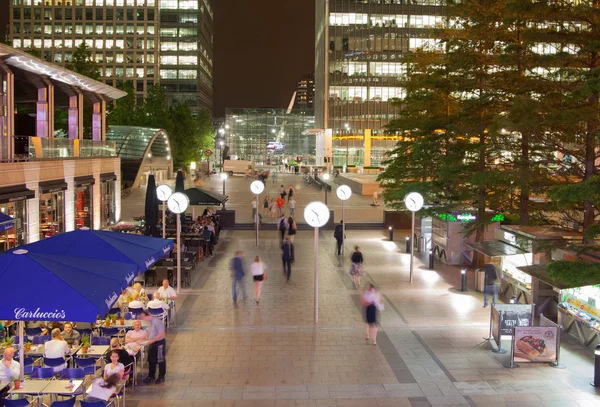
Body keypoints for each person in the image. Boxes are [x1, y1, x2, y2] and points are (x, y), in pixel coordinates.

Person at [142, 310, 166, 384]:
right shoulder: (149, 322)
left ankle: (161, 376)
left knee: (160, 359)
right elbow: (148, 331)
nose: (143, 319)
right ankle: (151, 375)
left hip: (159, 343)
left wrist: (153, 340)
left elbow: (161, 333)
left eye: (143, 317)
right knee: (151, 359)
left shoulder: (157, 322)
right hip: (152, 342)